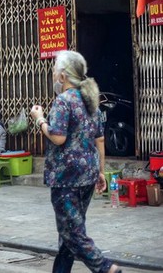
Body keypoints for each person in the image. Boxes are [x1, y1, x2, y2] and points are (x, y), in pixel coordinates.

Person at [30, 50, 121, 273]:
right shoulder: (90, 101)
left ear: (63, 76)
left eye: (54, 72)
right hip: (87, 175)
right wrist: (100, 171)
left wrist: (39, 119)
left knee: (73, 233)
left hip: (66, 178)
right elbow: (99, 140)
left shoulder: (63, 101)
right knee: (69, 232)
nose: (52, 76)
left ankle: (106, 268)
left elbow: (58, 137)